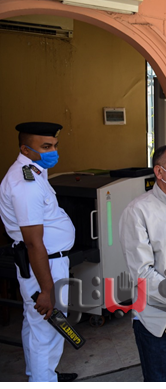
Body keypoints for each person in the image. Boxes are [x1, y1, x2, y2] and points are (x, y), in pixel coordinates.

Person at [0, 122, 77, 383]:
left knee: (35, 324)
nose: (52, 151)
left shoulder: (35, 171)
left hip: (46, 261)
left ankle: (41, 375)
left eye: (54, 145)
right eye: (45, 147)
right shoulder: (26, 183)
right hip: (44, 264)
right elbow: (34, 242)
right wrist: (47, 290)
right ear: (25, 149)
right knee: (49, 328)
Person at [119, 145, 166, 383]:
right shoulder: (138, 211)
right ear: (159, 172)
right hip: (156, 319)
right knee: (158, 377)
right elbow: (142, 272)